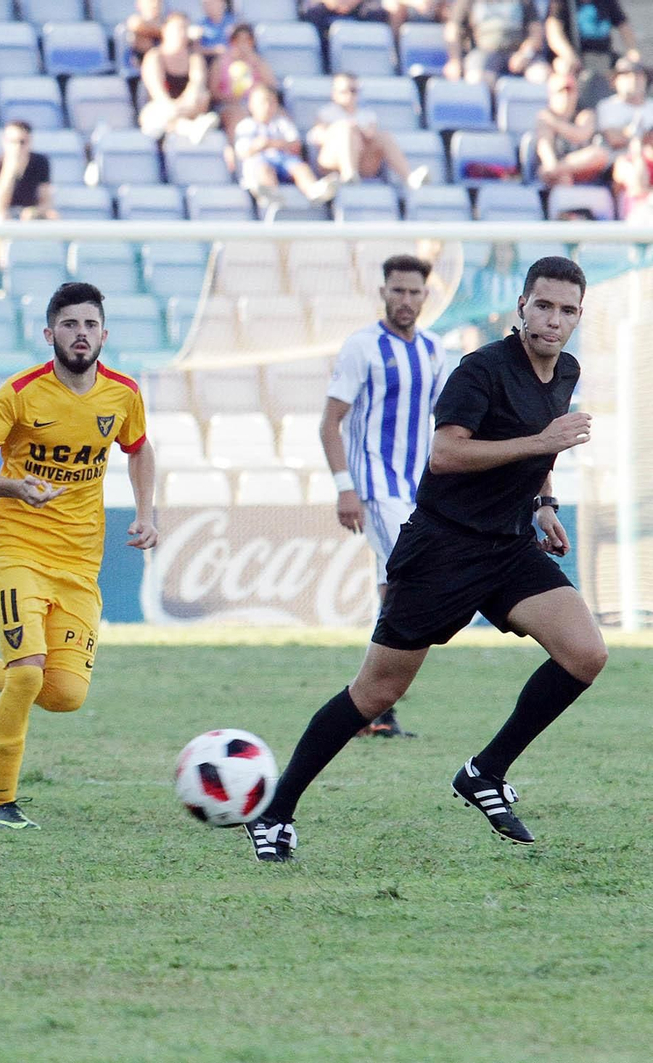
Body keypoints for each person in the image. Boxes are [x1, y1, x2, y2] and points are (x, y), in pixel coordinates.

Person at [246, 256, 605, 863]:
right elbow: (445, 455)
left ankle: (484, 772)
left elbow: (543, 449)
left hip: (510, 545)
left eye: (567, 309)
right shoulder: (480, 369)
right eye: (542, 305)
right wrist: (542, 444)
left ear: (578, 316)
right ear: (521, 307)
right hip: (444, 546)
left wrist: (545, 502)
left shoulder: (565, 370)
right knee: (377, 692)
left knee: (586, 653)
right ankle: (275, 814)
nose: (553, 319)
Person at [0, 282, 156, 830]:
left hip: (80, 562)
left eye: (90, 325)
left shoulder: (122, 393)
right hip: (18, 549)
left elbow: (140, 449)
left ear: (104, 333)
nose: (81, 335)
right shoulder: (19, 393)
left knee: (65, 695)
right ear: (50, 334)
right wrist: (15, 487)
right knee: (27, 675)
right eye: (69, 325)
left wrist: (146, 513)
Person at [319, 254, 449, 740]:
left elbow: (445, 425)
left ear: (425, 296)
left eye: (415, 292)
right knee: (416, 586)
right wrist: (344, 487)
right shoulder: (363, 347)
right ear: (383, 292)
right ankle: (373, 703)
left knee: (395, 596)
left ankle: (372, 709)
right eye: (398, 291)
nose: (406, 300)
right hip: (375, 487)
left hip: (419, 493)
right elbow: (329, 422)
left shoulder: (436, 350)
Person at [311, 72, 430, 187]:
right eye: (344, 91)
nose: (349, 95)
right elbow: (318, 137)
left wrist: (358, 131)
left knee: (384, 137)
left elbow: (371, 135)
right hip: (332, 161)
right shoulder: (326, 113)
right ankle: (349, 174)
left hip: (363, 160)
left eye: (353, 91)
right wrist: (342, 129)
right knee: (345, 129)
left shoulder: (367, 115)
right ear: (334, 93)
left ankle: (409, 178)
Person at [234, 83, 339, 211]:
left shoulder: (282, 123)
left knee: (301, 168)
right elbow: (243, 152)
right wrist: (265, 146)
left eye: (271, 102)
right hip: (259, 162)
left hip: (283, 161)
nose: (267, 107)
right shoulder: (245, 126)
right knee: (264, 170)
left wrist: (268, 143)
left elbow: (295, 145)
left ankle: (313, 191)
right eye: (263, 102)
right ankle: (272, 196)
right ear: (251, 105)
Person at [138, 13, 216, 141]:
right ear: (165, 30)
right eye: (178, 28)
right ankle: (190, 128)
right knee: (155, 115)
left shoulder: (194, 58)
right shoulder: (155, 57)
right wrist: (172, 108)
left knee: (202, 97)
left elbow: (196, 85)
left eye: (185, 28)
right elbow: (157, 91)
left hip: (188, 108)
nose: (182, 33)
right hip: (162, 108)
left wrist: (182, 105)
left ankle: (182, 126)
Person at [535, 71, 611, 186]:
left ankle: (557, 169)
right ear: (551, 95)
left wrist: (555, 123)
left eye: (570, 91)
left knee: (599, 154)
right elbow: (544, 147)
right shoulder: (546, 118)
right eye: (561, 91)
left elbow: (581, 135)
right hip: (558, 172)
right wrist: (550, 164)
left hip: (584, 168)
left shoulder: (584, 114)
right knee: (563, 178)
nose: (566, 96)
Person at [445, 0, 546, 84]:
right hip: (484, 53)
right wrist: (455, 60)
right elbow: (453, 31)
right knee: (476, 79)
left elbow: (536, 32)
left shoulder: (525, 2)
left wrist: (526, 54)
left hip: (518, 53)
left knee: (541, 75)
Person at [0, 119, 57, 223]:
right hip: (5, 213)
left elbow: (46, 200)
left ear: (29, 141)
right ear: (4, 141)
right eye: (12, 141)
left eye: (22, 142)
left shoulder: (40, 162)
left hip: (30, 214)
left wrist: (35, 211)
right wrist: (10, 169)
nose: (17, 147)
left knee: (52, 216)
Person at [209, 22, 276, 133]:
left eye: (247, 40)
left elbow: (272, 86)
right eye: (237, 40)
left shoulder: (257, 61)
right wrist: (232, 98)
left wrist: (256, 63)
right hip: (229, 104)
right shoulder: (220, 62)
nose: (242, 44)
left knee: (279, 115)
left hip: (257, 103)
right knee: (237, 117)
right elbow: (213, 92)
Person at [595, 57, 653, 152]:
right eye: (626, 74)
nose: (633, 79)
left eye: (638, 74)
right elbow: (614, 139)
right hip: (619, 160)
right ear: (615, 81)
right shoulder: (608, 106)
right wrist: (645, 137)